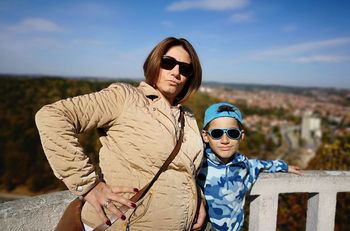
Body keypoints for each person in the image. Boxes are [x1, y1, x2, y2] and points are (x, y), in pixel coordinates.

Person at [35, 37, 206, 231]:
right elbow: (52, 116)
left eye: (185, 69)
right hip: (123, 225)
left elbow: (185, 169)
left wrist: (196, 197)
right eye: (168, 63)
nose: (176, 72)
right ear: (154, 63)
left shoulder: (188, 117)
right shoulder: (125, 97)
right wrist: (87, 185)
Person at [197, 102, 303, 231]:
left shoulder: (244, 166)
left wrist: (283, 166)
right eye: (217, 133)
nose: (225, 140)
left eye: (233, 133)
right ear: (205, 136)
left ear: (241, 136)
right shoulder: (198, 164)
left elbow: (259, 165)